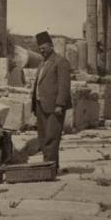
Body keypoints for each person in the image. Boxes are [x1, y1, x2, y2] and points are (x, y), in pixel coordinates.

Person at [31, 31, 72, 171]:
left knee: (52, 138)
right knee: (43, 138)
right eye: (39, 48)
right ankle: (50, 166)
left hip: (54, 107)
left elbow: (64, 86)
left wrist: (60, 105)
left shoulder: (61, 62)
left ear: (51, 46)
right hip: (40, 106)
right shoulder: (42, 63)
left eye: (43, 48)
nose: (41, 51)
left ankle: (49, 168)